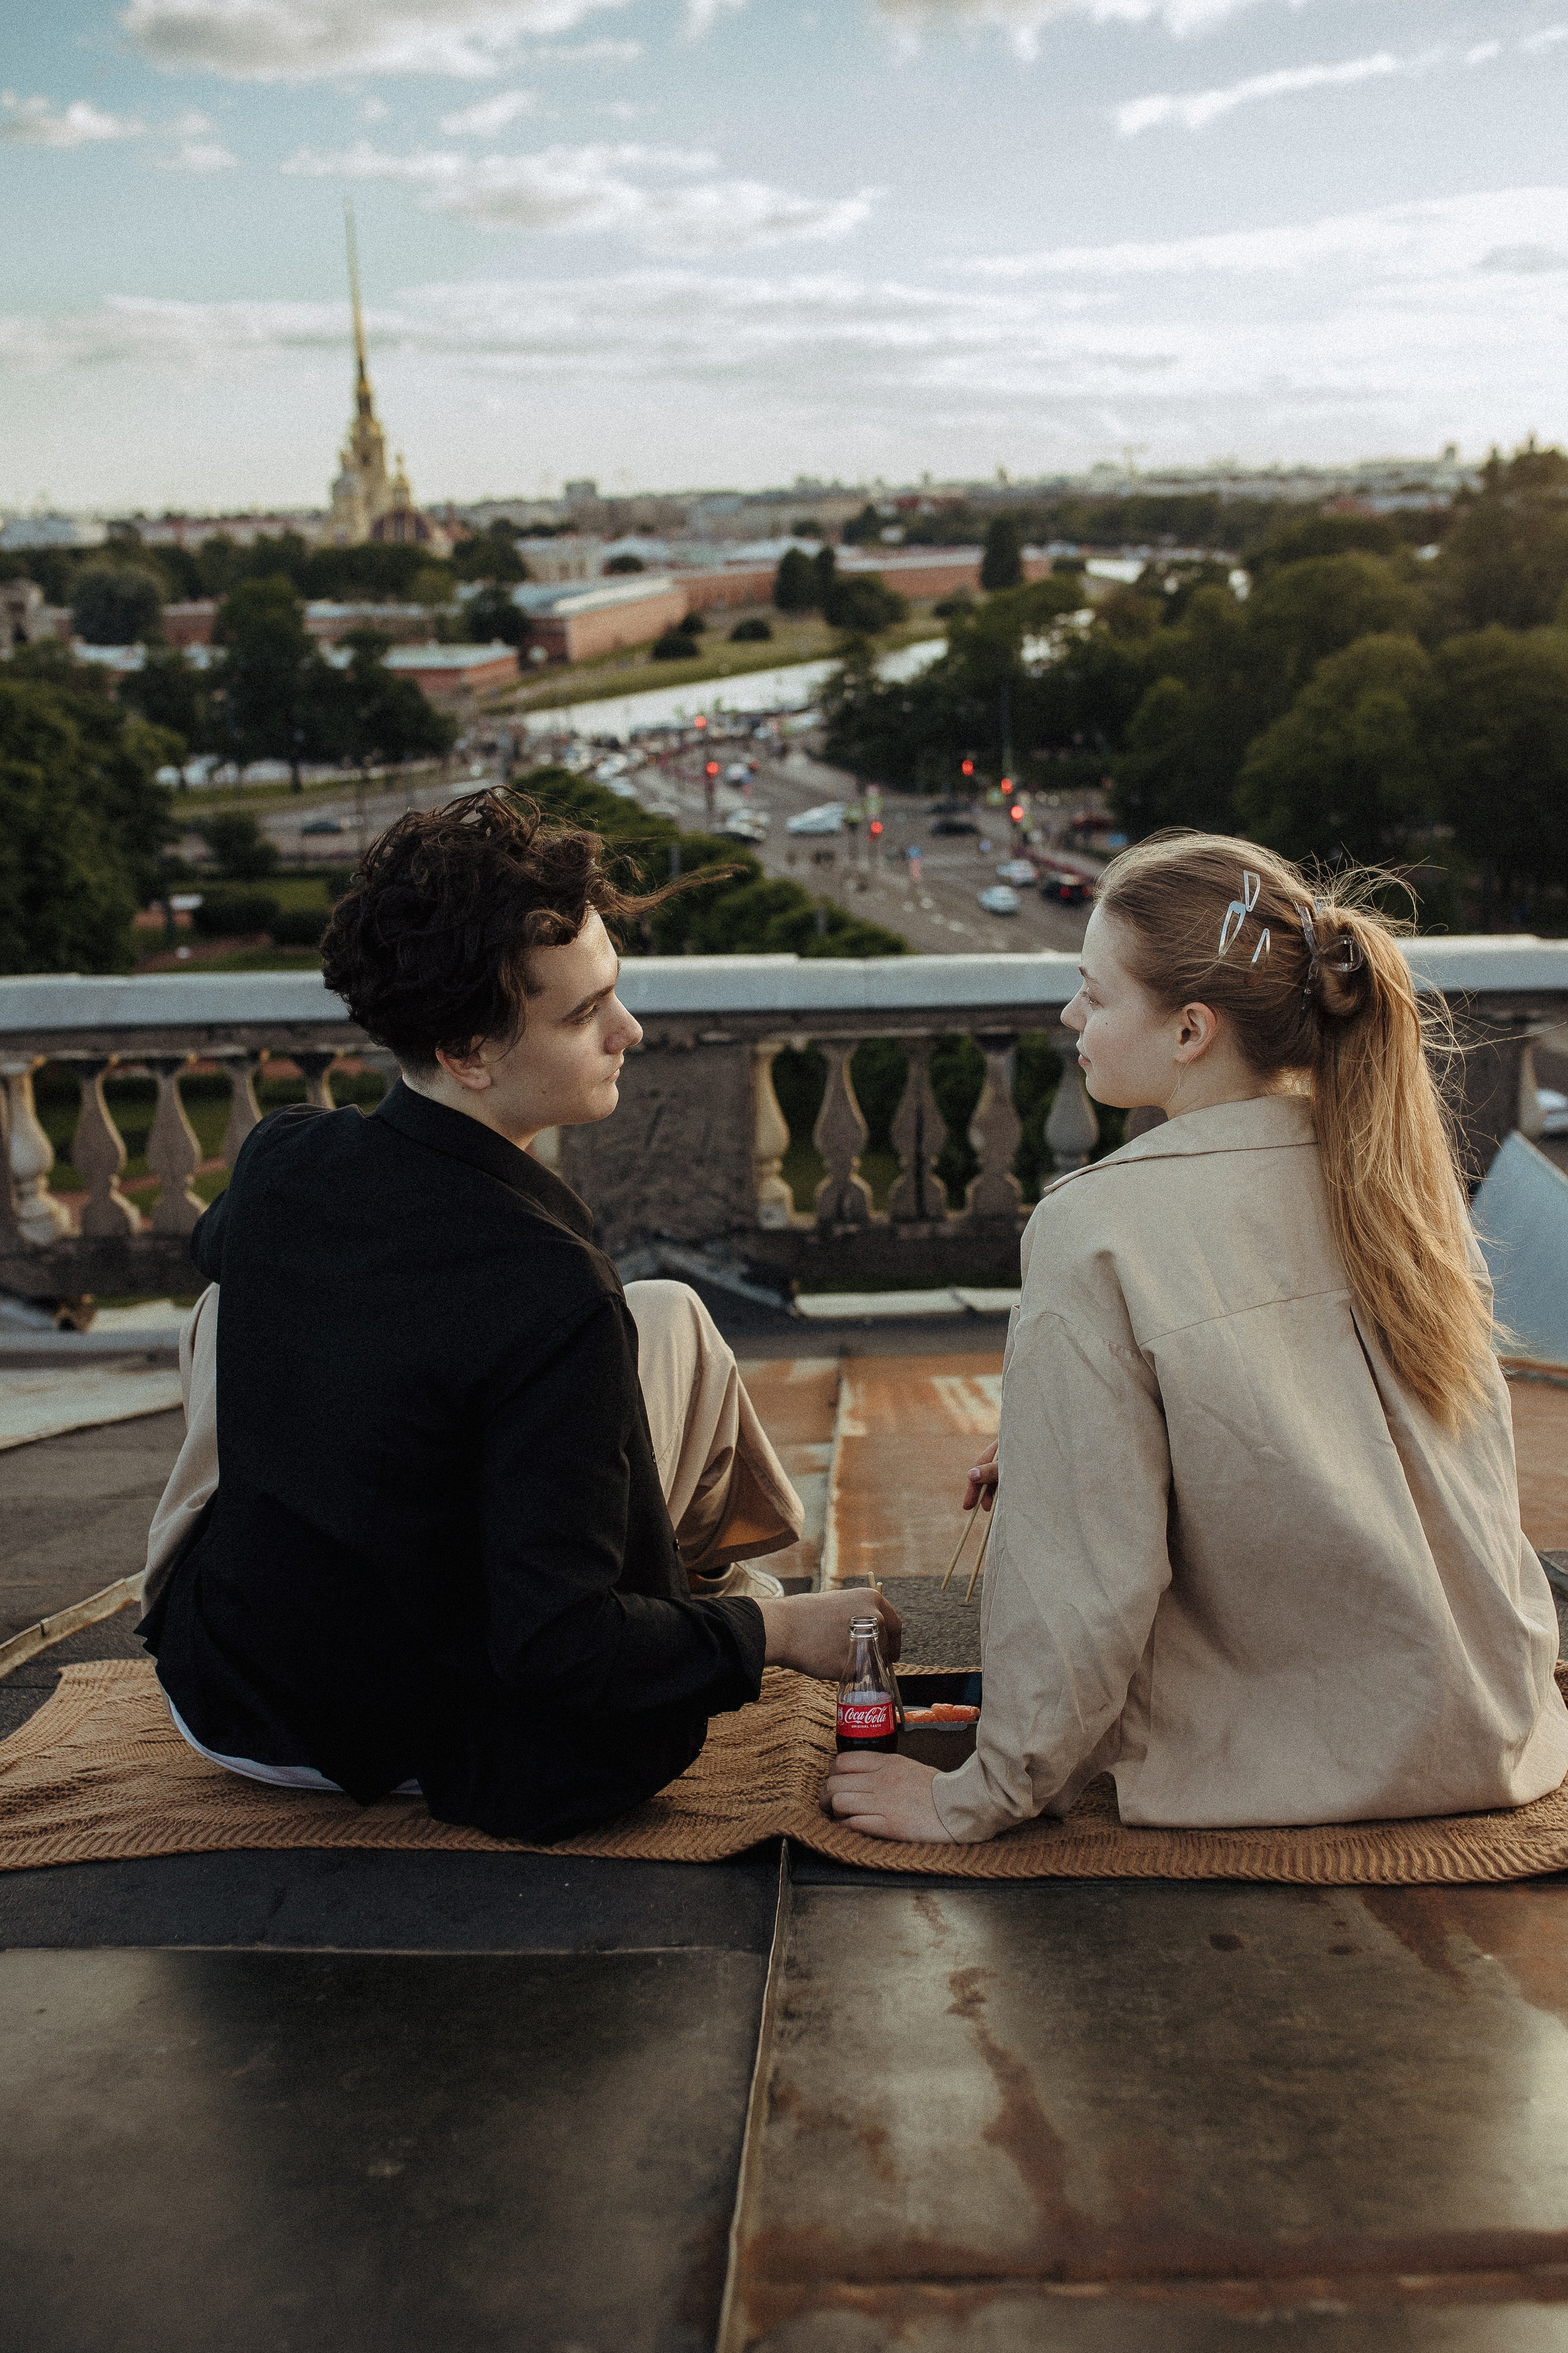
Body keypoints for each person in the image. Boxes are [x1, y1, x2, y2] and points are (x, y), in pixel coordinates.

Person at [141, 791, 898, 1842]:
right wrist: (774, 1636)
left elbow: (234, 1258)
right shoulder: (550, 1291)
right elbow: (561, 1648)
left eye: (614, 996)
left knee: (246, 1305)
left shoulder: (284, 1159)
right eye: (586, 1015)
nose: (629, 1031)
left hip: (224, 1696)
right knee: (649, 1323)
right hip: (406, 1736)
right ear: (469, 1052)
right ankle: (722, 1596)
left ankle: (696, 1591)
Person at [826, 832, 1567, 1844]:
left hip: (1300, 1761)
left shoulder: (1098, 1227)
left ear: (1190, 1031)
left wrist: (984, 1791)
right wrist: (1066, 1439)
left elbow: (1090, 1579)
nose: (1069, 1016)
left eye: (1094, 992)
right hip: (1497, 1727)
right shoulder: (1396, 1178)